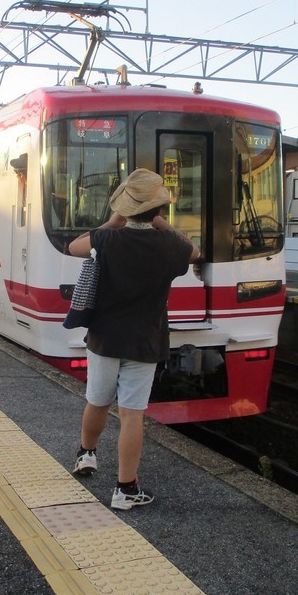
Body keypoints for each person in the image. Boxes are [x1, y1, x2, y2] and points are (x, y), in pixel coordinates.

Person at [67, 168, 201, 510]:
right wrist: (162, 225)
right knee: (131, 415)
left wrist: (112, 223)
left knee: (97, 401)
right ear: (159, 210)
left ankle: (86, 454)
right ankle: (125, 489)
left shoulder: (107, 239)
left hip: (103, 338)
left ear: (124, 209)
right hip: (145, 341)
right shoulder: (171, 245)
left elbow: (73, 246)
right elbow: (194, 252)